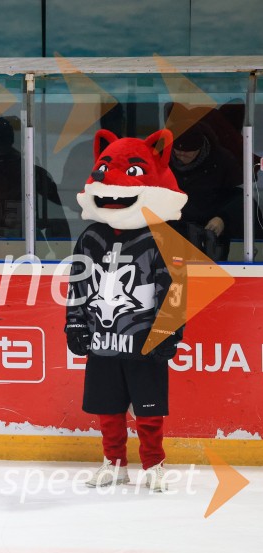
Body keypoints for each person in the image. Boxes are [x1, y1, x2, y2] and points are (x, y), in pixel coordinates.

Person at [66, 129, 187, 493]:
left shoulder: (163, 236)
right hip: (103, 339)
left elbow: (175, 289)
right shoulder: (90, 237)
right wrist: (74, 323)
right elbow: (77, 283)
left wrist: (169, 331)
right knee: (108, 406)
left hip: (144, 338)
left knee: (149, 410)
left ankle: (153, 464)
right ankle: (114, 463)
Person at [0, 116, 70, 241]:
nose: (5, 142)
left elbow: (60, 231)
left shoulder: (37, 176)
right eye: (2, 137)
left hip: (22, 255)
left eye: (8, 137)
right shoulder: (38, 176)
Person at [167, 120, 242, 261]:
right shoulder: (163, 159)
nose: (181, 155)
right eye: (177, 150)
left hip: (209, 235)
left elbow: (239, 196)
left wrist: (223, 219)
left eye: (188, 152)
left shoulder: (222, 161)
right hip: (171, 234)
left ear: (200, 148)